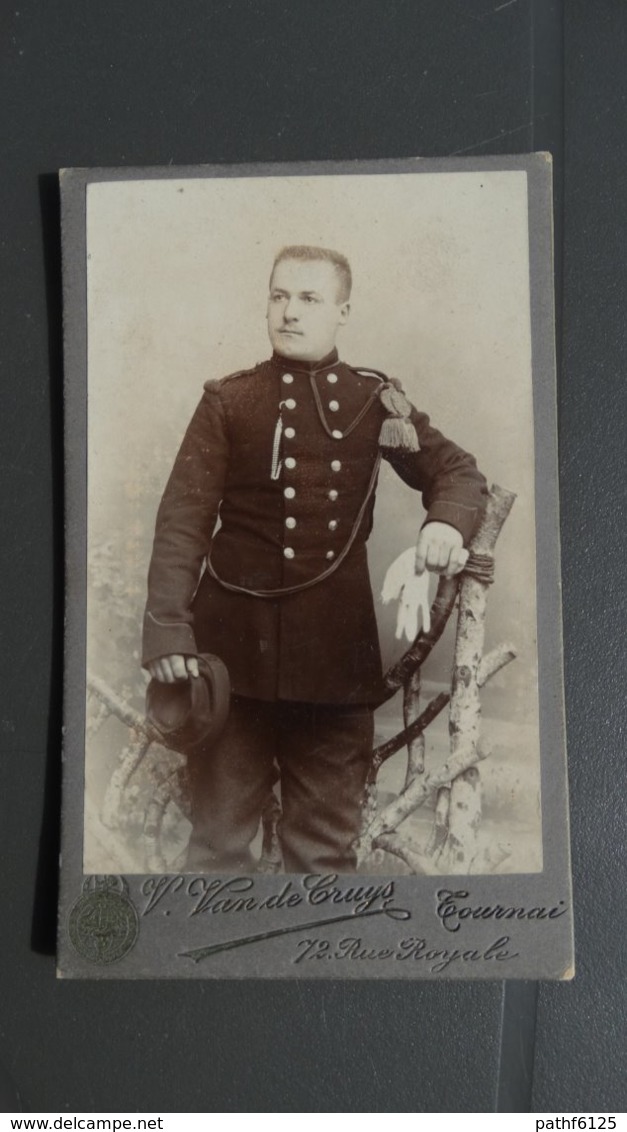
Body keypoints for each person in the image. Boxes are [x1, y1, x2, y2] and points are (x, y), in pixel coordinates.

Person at [142, 245, 488, 874]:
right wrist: (168, 627)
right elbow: (182, 522)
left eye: (309, 299)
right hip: (232, 661)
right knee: (216, 848)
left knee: (324, 855)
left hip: (334, 665)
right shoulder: (229, 400)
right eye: (279, 296)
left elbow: (459, 473)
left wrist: (443, 523)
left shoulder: (374, 402)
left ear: (342, 311)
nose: (289, 312)